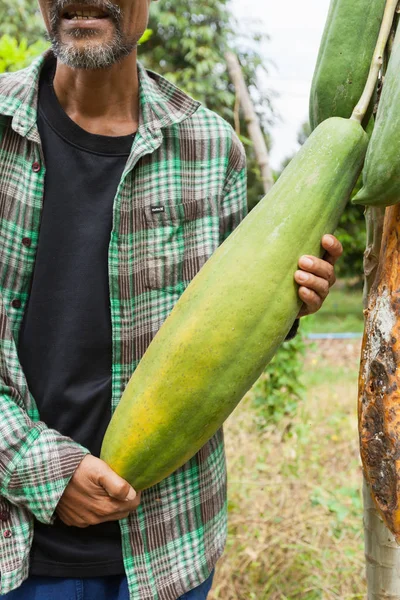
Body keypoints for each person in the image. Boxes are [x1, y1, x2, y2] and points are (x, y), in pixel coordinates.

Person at [0, 1, 343, 598]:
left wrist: (291, 300)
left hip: (167, 552)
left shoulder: (213, 149)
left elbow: (235, 321)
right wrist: (43, 471)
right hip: (15, 554)